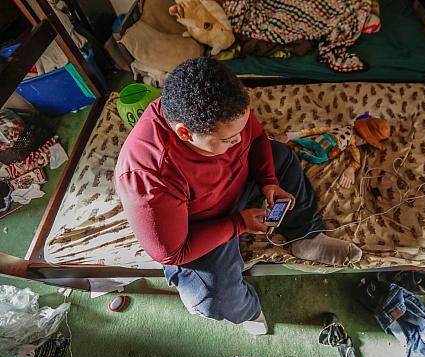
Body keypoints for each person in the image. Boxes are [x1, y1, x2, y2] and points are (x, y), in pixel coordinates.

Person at [115, 57, 362, 335]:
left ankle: (305, 235)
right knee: (211, 298)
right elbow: (173, 252)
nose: (239, 140)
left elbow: (257, 139)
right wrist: (239, 224)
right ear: (186, 133)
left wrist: (268, 182)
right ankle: (248, 311)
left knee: (281, 155)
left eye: (241, 128)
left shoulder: (227, 110)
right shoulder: (150, 177)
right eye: (228, 140)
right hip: (200, 224)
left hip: (237, 183)